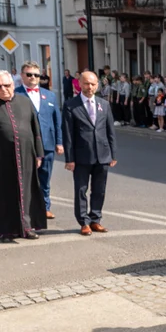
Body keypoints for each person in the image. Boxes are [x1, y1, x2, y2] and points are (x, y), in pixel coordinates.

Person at [0, 70, 46, 241]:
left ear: (13, 85)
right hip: (0, 157)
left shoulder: (25, 102)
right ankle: (6, 230)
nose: (3, 89)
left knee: (27, 191)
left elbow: (35, 130)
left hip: (27, 155)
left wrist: (39, 154)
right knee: (3, 193)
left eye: (7, 85)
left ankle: (27, 227)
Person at [62, 71, 117, 236]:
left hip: (102, 154)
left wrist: (113, 154)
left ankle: (96, 219)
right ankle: (84, 222)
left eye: (93, 84)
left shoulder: (103, 104)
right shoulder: (71, 104)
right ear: (80, 84)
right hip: (81, 156)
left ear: (97, 85)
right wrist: (69, 159)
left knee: (99, 189)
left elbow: (110, 130)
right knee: (81, 189)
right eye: (86, 83)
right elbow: (68, 134)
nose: (90, 87)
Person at [18, 61, 62, 219]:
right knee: (27, 178)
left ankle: (45, 206)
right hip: (26, 144)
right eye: (29, 74)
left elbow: (57, 121)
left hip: (47, 143)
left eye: (36, 75)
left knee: (45, 177)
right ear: (22, 76)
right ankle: (26, 209)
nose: (32, 78)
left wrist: (59, 142)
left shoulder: (49, 95)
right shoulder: (16, 94)